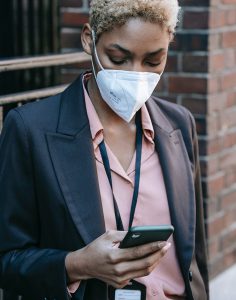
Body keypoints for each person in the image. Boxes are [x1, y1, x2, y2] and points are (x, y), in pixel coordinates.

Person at [0, 0, 209, 299]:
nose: (135, 74)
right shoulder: (29, 129)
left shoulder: (179, 124)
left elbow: (195, 256)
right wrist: (77, 264)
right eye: (118, 58)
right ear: (89, 39)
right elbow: (7, 260)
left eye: (153, 61)